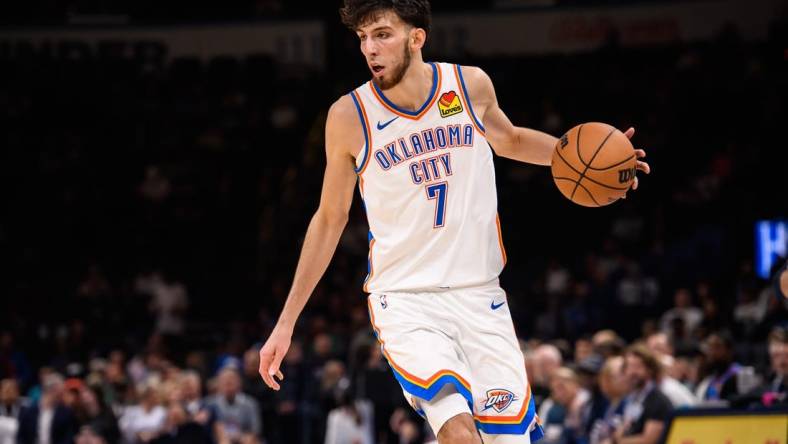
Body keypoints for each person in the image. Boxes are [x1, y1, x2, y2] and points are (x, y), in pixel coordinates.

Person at [257, 1, 650, 443]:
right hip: (405, 299)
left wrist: (598, 161)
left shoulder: (468, 85)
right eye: (363, 38)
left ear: (416, 37)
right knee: (458, 431)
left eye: (382, 34)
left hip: (480, 295)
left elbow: (511, 139)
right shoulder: (349, 117)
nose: (370, 47)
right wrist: (287, 321)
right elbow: (329, 219)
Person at [607, 346, 672, 444]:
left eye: (637, 367)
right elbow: (620, 432)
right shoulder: (630, 399)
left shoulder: (658, 401)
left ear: (650, 370)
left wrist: (617, 442)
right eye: (629, 367)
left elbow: (649, 441)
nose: (632, 372)